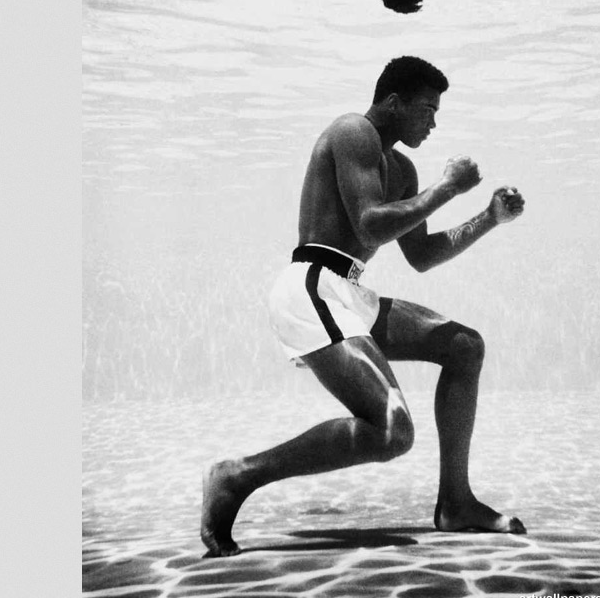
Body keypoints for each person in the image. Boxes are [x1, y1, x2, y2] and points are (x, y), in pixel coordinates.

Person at [201, 56, 526, 557]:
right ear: (393, 102)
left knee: (464, 346)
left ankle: (456, 503)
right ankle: (237, 476)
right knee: (393, 432)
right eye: (426, 109)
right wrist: (447, 187)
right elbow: (370, 225)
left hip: (349, 291)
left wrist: (488, 218)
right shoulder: (353, 131)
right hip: (311, 286)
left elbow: (421, 255)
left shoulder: (402, 169)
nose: (433, 123)